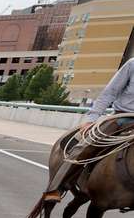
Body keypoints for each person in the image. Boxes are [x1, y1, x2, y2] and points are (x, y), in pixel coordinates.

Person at [42, 56, 134, 202]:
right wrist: (92, 119)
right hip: (123, 117)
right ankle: (56, 187)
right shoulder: (132, 64)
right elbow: (110, 92)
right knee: (86, 145)